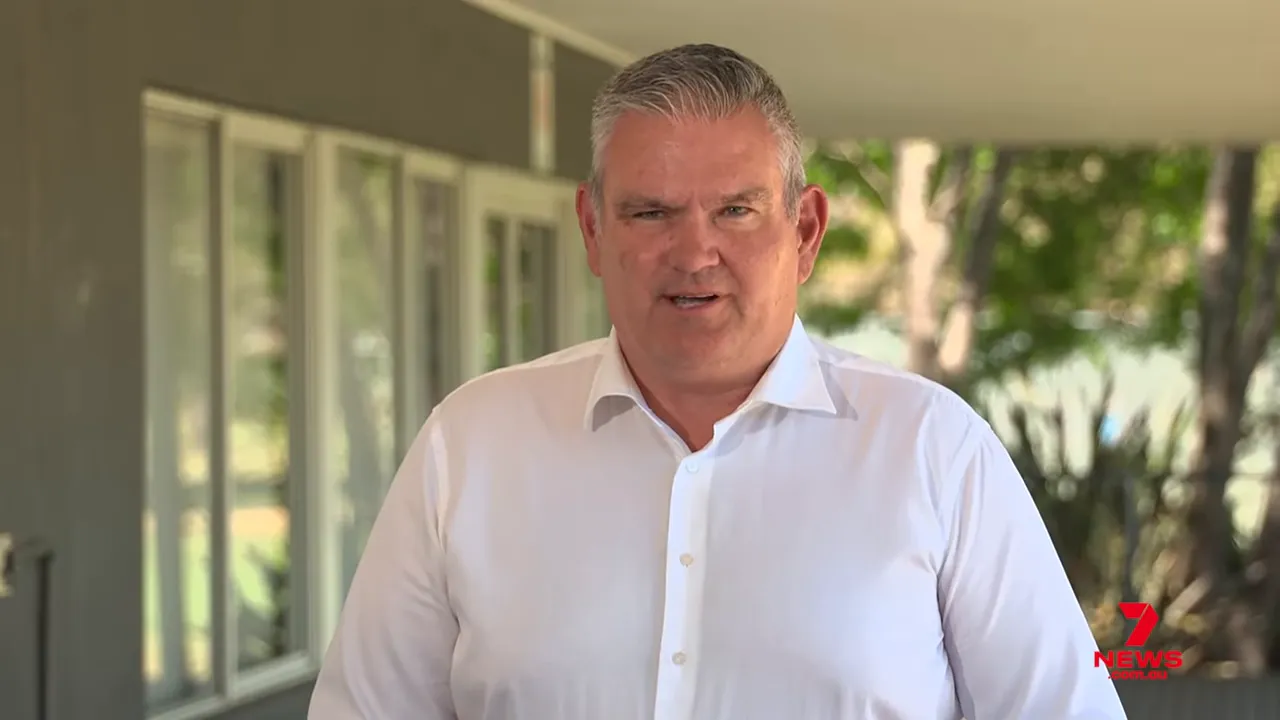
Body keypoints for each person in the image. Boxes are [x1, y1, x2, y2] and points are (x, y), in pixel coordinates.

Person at [308, 43, 1128, 720]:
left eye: (735, 211)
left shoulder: (934, 451)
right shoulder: (472, 446)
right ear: (593, 230)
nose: (694, 253)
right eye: (650, 213)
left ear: (804, 230)